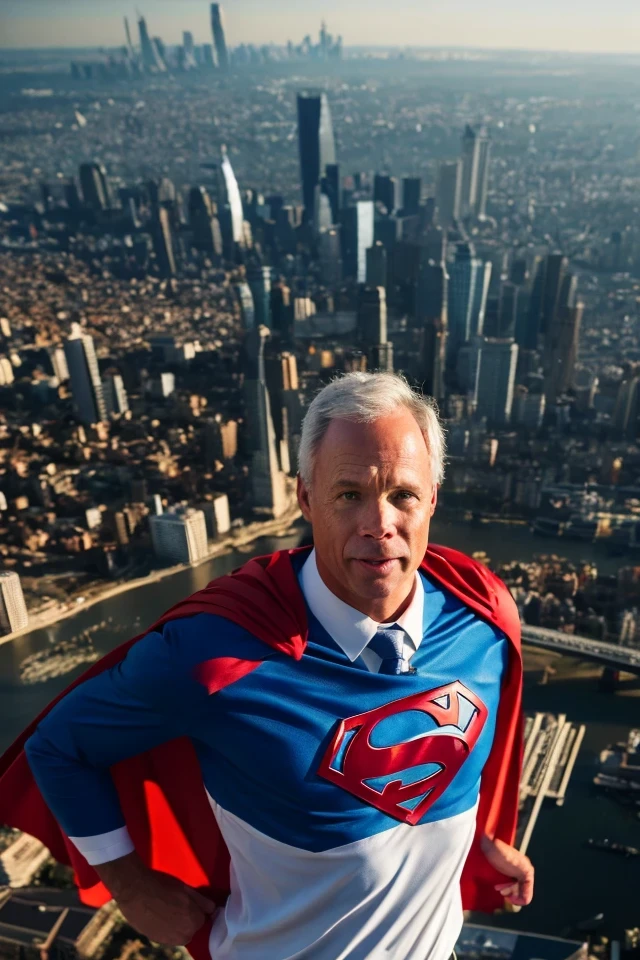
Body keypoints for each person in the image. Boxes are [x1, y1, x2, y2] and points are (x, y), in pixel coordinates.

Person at [0, 371, 532, 960]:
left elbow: (469, 749)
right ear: (305, 497)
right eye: (348, 494)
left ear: (432, 499)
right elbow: (57, 747)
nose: (378, 524)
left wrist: (480, 839)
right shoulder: (215, 652)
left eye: (402, 494)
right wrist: (129, 885)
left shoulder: (481, 619)